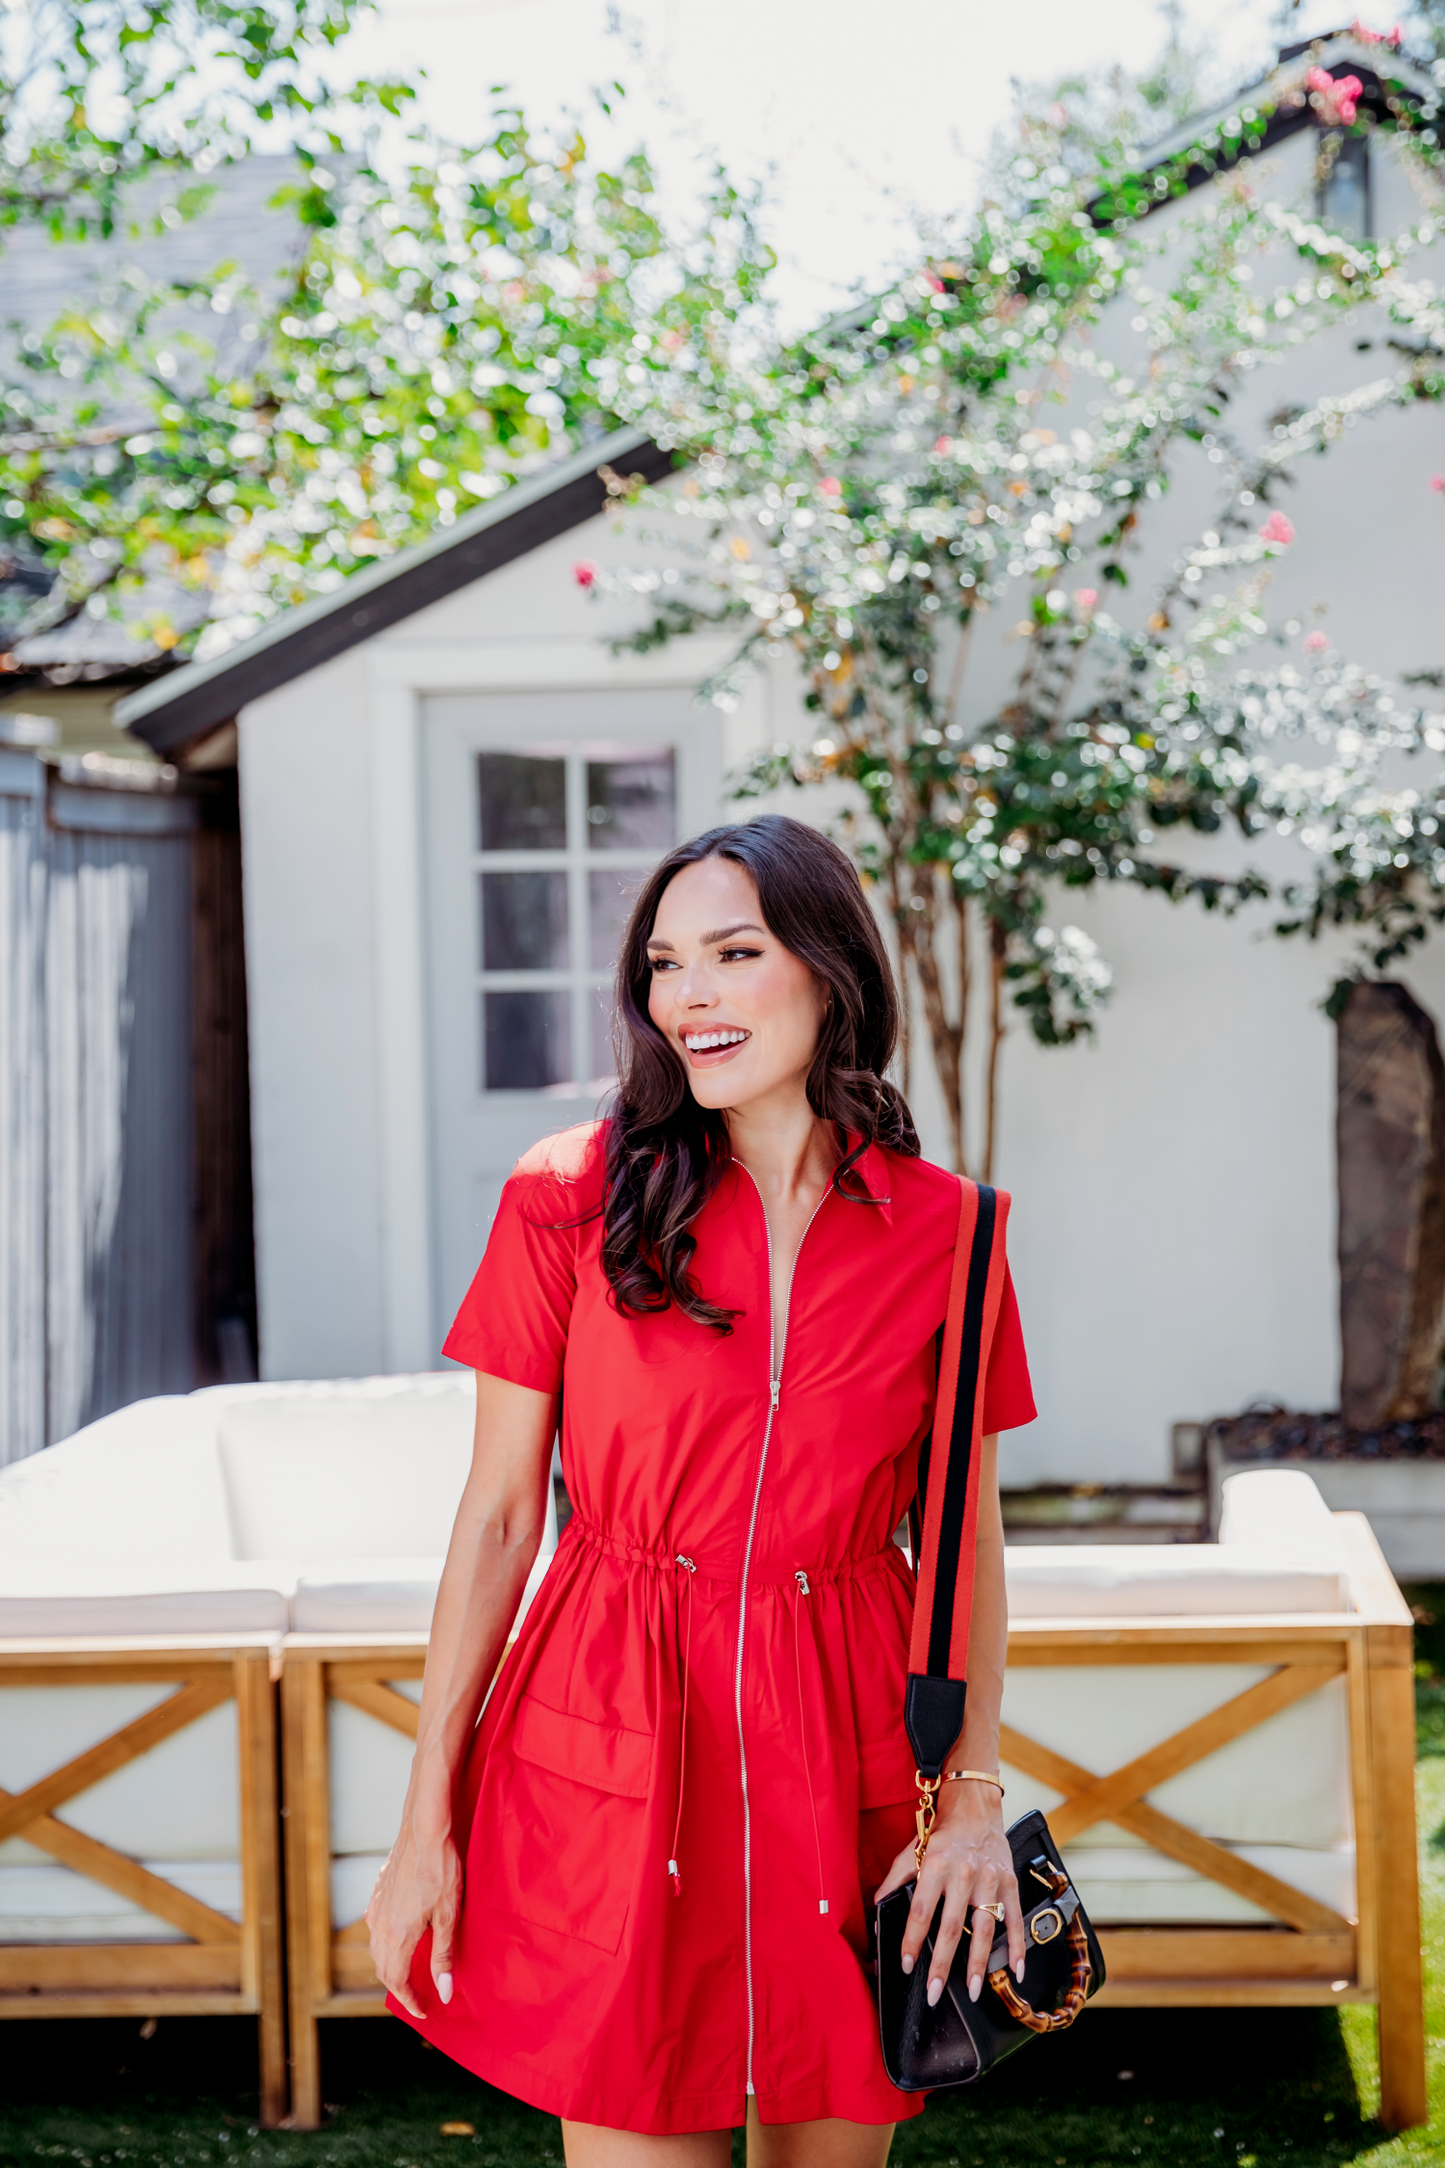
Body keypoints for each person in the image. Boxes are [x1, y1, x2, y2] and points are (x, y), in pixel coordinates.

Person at [367, 814, 1037, 2168]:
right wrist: (422, 1820)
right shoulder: (566, 1196)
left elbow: (965, 1538)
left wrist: (969, 1797)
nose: (692, 995)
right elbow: (502, 1515)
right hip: (608, 1716)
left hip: (848, 1734)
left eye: (737, 952)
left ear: (832, 971)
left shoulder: (952, 1234)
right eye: (668, 964)